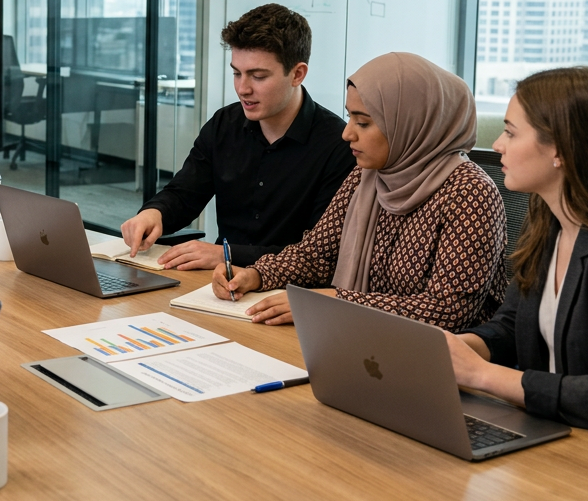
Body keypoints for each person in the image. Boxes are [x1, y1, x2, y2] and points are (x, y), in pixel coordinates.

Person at [447, 67, 588, 433]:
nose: (498, 145)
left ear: (561, 150)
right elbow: (511, 328)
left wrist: (481, 375)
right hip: (553, 430)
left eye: (510, 132)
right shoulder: (547, 221)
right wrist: (454, 349)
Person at [215, 52, 508, 332]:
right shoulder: (367, 176)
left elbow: (447, 311)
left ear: (408, 124)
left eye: (363, 122)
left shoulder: (470, 192)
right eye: (350, 117)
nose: (347, 133)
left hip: (440, 364)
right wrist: (255, 274)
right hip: (361, 344)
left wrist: (335, 303)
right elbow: (316, 256)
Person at [120, 4, 355, 269]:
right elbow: (185, 193)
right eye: (236, 73)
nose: (243, 89)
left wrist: (228, 255)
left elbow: (320, 255)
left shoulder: (339, 145)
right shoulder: (224, 124)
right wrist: (155, 213)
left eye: (258, 76)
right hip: (218, 282)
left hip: (289, 296)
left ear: (297, 74)